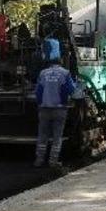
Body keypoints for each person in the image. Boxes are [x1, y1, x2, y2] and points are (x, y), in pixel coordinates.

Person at [34, 38, 76, 168]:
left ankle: (39, 160)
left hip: (44, 109)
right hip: (59, 110)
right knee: (57, 137)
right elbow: (70, 90)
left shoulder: (43, 73)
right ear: (61, 60)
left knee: (42, 136)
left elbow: (38, 92)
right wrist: (64, 102)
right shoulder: (65, 73)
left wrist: (40, 103)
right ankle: (53, 161)